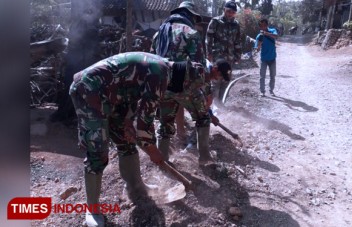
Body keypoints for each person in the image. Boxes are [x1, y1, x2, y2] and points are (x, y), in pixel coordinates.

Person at [69, 52, 170, 227]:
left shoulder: (162, 70)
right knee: (98, 151)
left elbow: (133, 97)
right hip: (89, 91)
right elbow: (144, 124)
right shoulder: (159, 72)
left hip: (116, 95)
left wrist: (128, 123)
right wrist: (153, 151)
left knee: (127, 139)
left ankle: (135, 187)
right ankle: (92, 208)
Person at [156, 57, 231, 165]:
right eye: (220, 75)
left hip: (166, 90)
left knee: (165, 122)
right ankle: (204, 158)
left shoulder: (203, 71)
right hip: (177, 90)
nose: (219, 78)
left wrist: (209, 113)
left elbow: (201, 100)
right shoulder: (200, 72)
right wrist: (207, 114)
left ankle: (162, 160)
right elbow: (197, 99)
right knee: (203, 119)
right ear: (215, 69)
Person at [151, 0, 206, 141]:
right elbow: (199, 66)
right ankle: (204, 157)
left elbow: (151, 59)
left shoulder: (159, 33)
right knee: (203, 116)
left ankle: (163, 157)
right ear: (190, 16)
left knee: (164, 124)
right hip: (180, 79)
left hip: (160, 82)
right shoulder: (191, 33)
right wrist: (205, 92)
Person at [206, 1, 242, 104]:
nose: (230, 14)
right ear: (224, 10)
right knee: (215, 81)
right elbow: (208, 38)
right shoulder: (215, 22)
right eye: (228, 11)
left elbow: (237, 41)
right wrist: (209, 53)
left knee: (226, 80)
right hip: (217, 58)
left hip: (230, 58)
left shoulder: (236, 24)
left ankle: (221, 105)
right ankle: (213, 105)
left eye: (233, 12)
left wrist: (238, 55)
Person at [255, 18, 278, 97]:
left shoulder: (272, 30)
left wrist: (266, 33)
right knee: (262, 76)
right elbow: (256, 49)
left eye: (264, 25)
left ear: (267, 25)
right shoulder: (259, 36)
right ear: (260, 27)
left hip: (272, 58)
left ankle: (271, 90)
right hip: (264, 59)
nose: (263, 27)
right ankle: (262, 91)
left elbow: (276, 36)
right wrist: (258, 46)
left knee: (272, 76)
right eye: (261, 26)